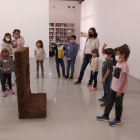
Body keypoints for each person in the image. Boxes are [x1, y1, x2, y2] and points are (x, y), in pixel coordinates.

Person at [96, 45, 130, 127]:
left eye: (118, 54)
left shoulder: (125, 66)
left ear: (123, 55)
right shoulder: (118, 63)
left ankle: (118, 119)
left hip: (120, 90)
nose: (116, 56)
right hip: (114, 88)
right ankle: (106, 115)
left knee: (118, 104)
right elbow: (115, 77)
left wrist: (119, 90)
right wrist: (112, 85)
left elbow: (124, 80)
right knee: (110, 102)